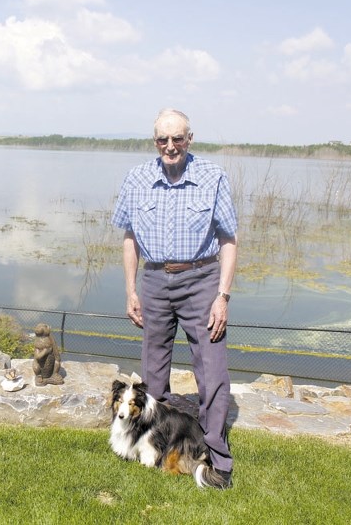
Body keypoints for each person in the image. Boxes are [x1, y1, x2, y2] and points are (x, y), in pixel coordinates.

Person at [111, 108, 238, 489]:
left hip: (202, 279)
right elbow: (130, 238)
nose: (170, 146)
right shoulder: (137, 178)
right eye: (163, 140)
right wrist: (131, 290)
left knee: (212, 371)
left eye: (177, 138)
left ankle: (216, 457)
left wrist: (222, 296)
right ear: (155, 142)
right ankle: (153, 442)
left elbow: (228, 240)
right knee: (152, 371)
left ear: (189, 138)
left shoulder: (212, 177)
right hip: (152, 280)